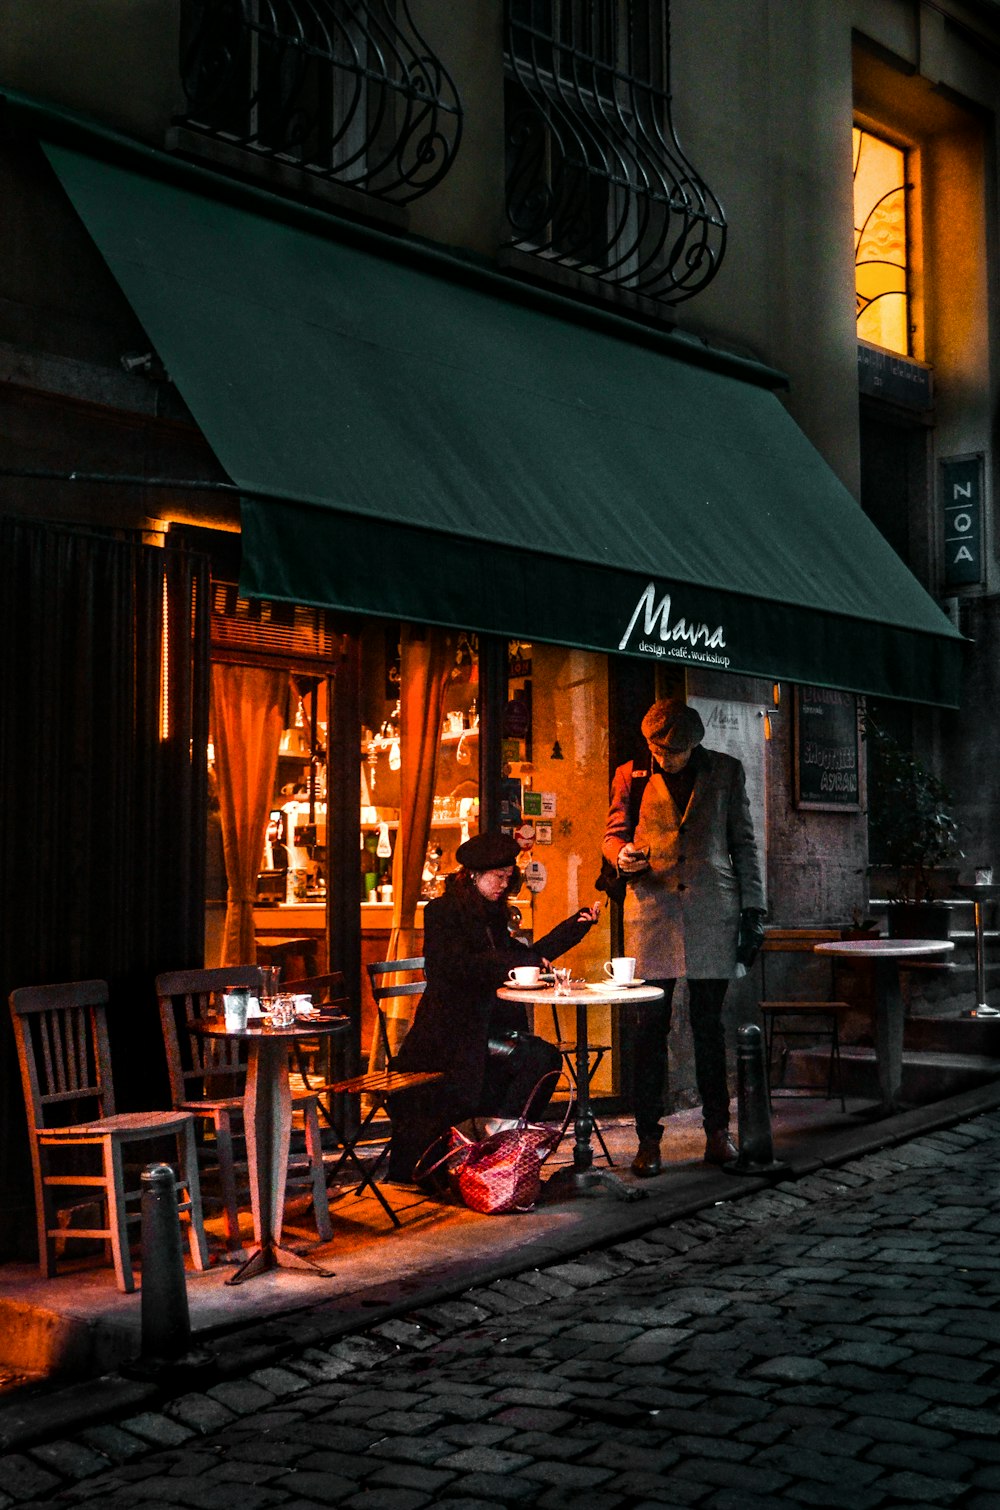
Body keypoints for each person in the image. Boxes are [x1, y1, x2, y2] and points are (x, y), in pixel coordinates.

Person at [602, 698, 766, 1175]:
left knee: (709, 1027)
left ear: (694, 745)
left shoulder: (726, 772)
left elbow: (744, 844)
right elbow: (612, 833)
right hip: (652, 913)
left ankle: (718, 1131)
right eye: (655, 747)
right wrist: (621, 854)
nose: (662, 757)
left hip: (713, 910)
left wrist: (754, 909)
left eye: (671, 751)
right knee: (648, 1031)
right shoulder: (630, 774)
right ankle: (647, 1140)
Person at [388, 830, 601, 1185]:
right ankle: (494, 1151)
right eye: (498, 876)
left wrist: (573, 928)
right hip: (448, 1035)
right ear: (473, 875)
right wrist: (507, 966)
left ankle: (497, 1149)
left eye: (508, 876)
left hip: (484, 1029)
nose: (505, 884)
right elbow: (452, 967)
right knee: (536, 1058)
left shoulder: (492, 916)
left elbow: (523, 958)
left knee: (542, 1058)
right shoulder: (442, 912)